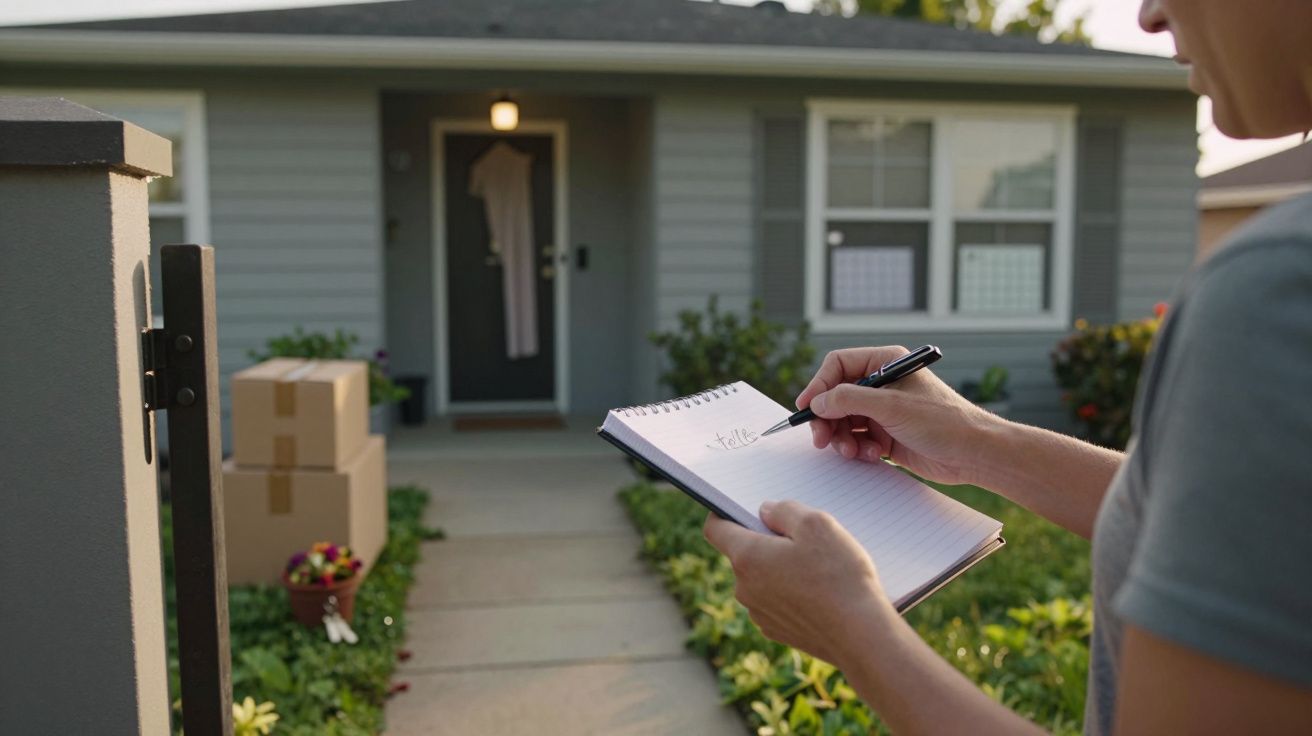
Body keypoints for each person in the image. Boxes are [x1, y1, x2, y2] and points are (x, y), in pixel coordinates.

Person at [703, 1, 1312, 733]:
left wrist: (853, 633)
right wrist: (975, 439)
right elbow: (1239, 535)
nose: (1149, 14)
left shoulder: (1279, 288)